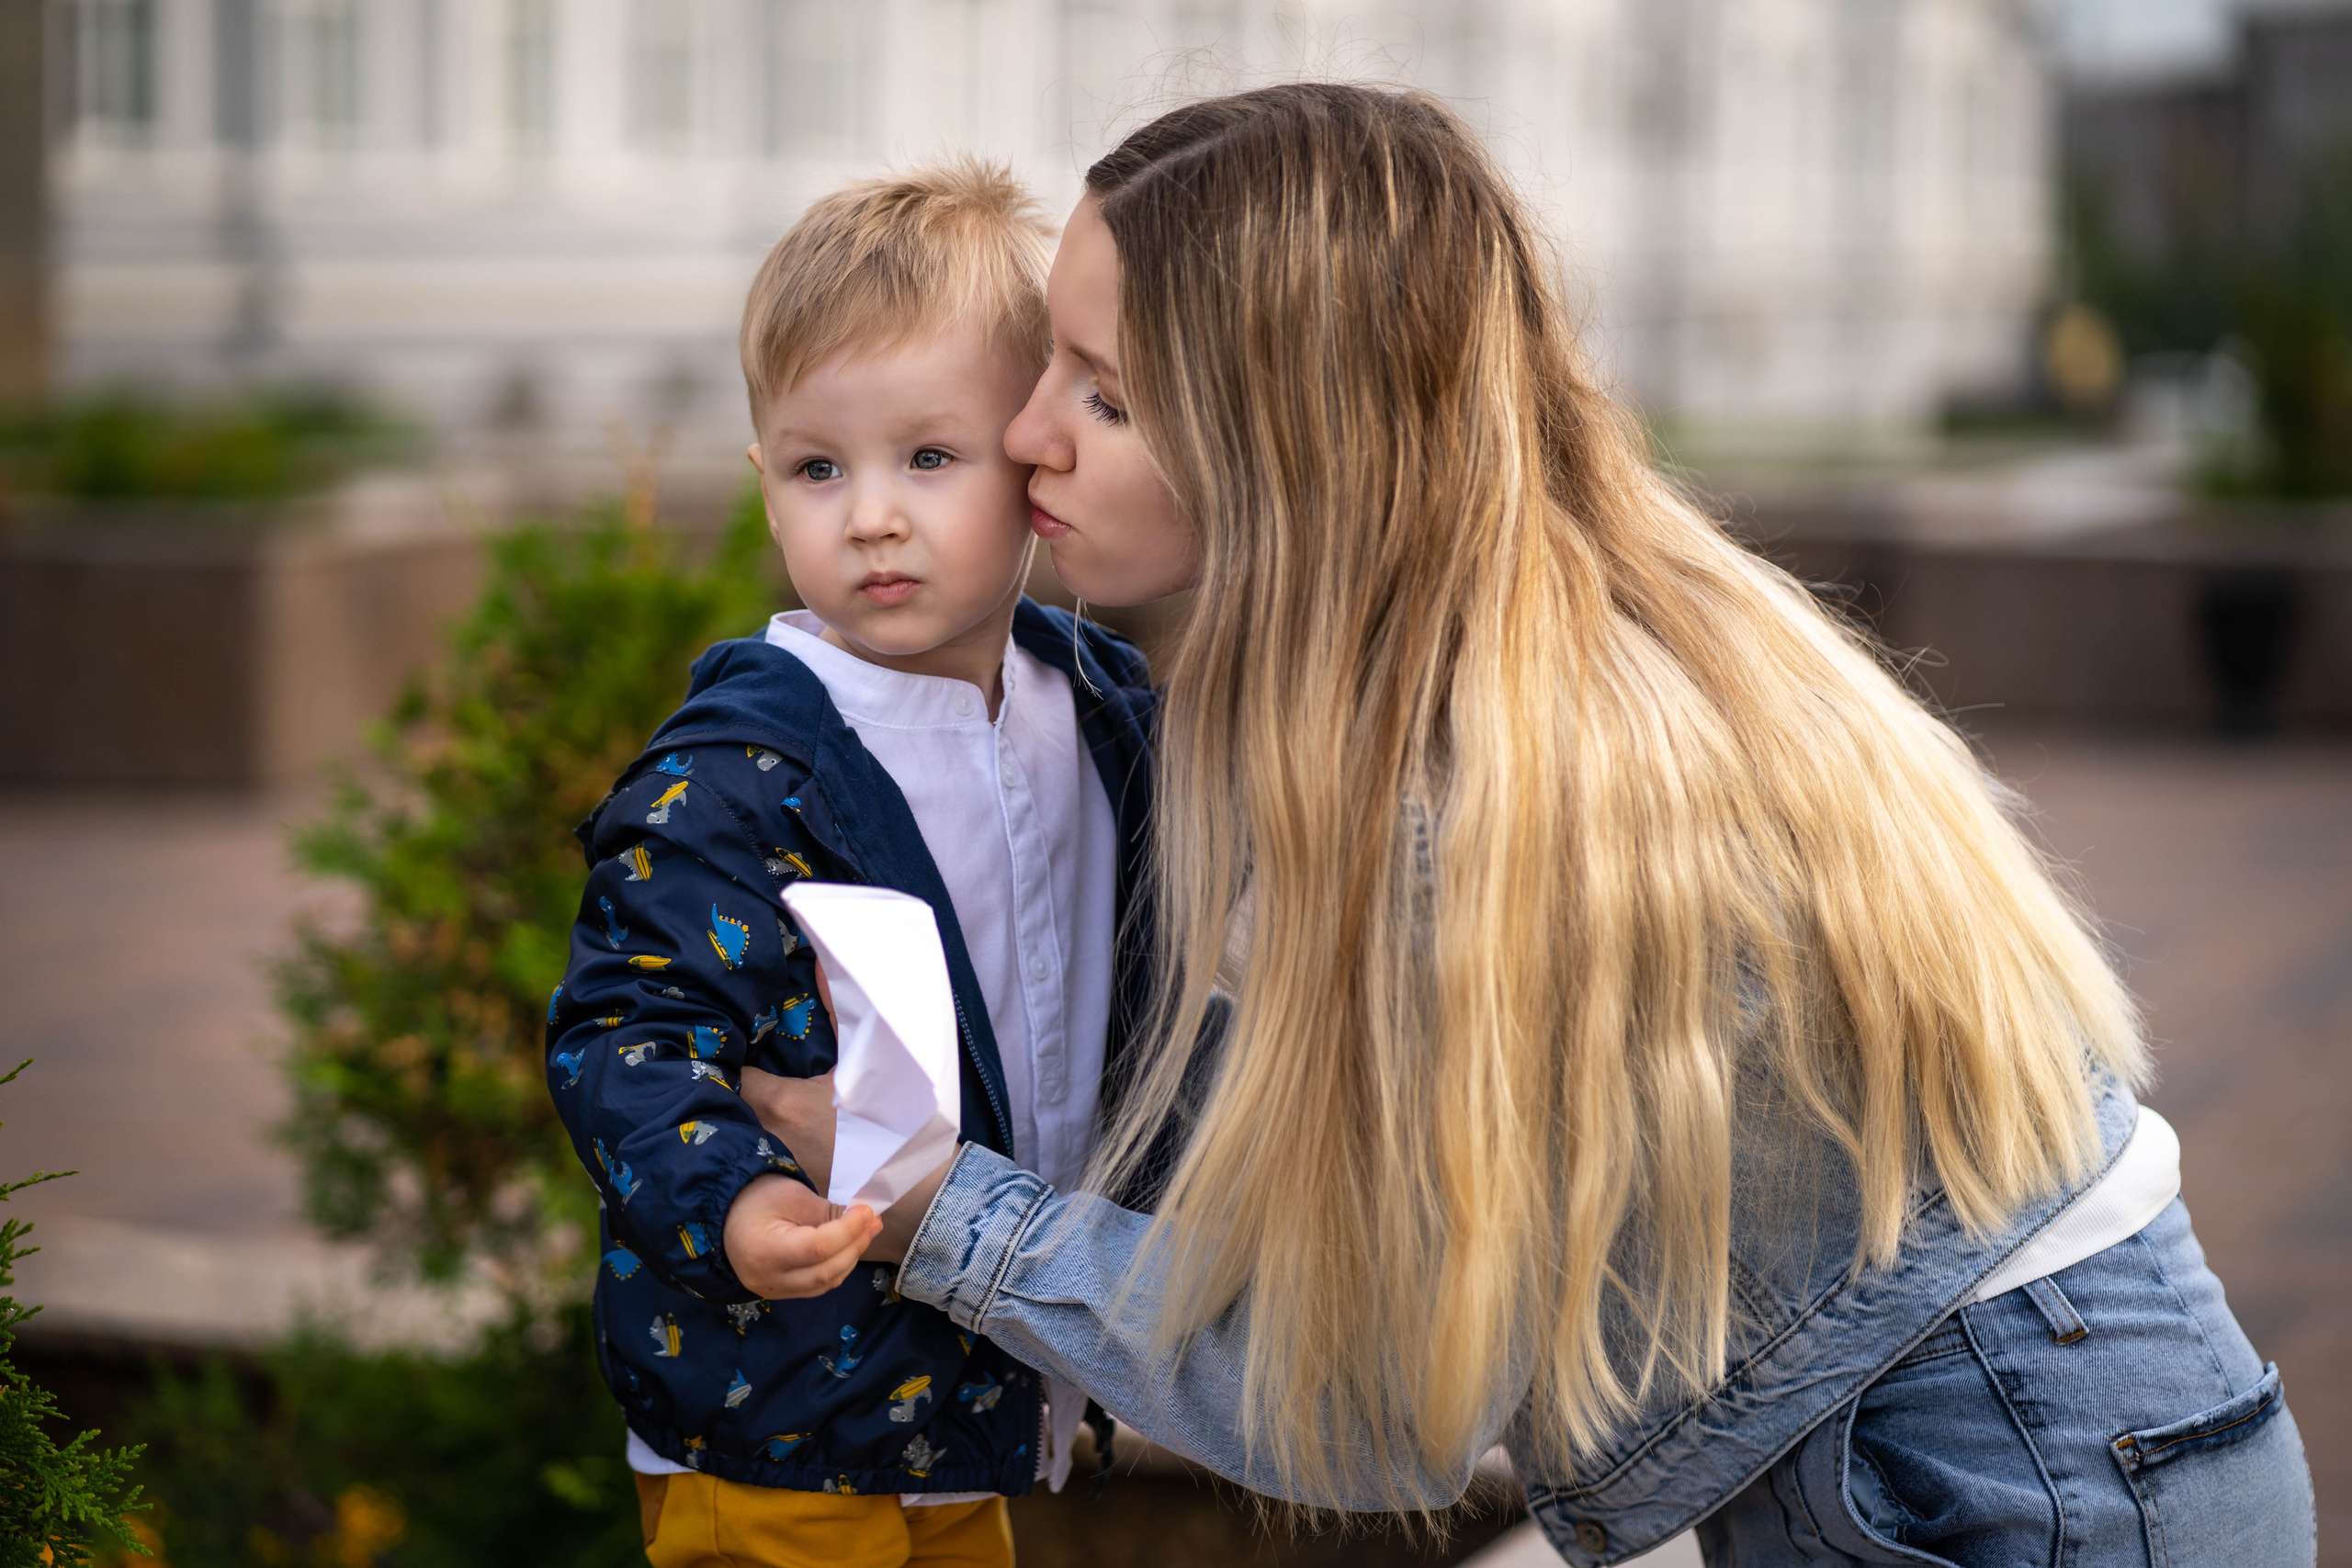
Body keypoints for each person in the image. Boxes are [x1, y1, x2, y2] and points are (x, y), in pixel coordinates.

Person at [763, 86, 2318, 1566]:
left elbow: (1375, 1404)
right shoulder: (1548, 629)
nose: (1026, 430)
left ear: (1286, 437)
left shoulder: (1458, 800)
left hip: (2009, 1488)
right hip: (2056, 1440)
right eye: (1049, 362)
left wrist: (942, 1213)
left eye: (1103, 393)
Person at [543, 160, 1156, 1568]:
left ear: (1033, 456)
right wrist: (736, 1199)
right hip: (783, 1410)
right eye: (822, 468)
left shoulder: (1100, 709)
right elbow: (625, 1032)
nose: (871, 513)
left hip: (984, 1386)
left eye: (929, 458)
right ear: (767, 487)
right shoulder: (741, 765)